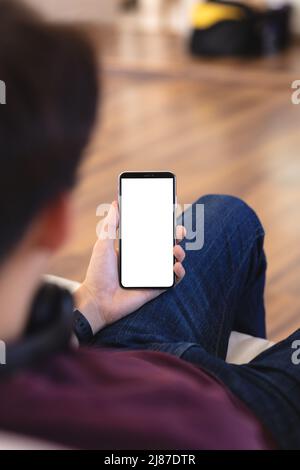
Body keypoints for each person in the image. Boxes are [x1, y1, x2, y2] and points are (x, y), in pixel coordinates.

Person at [0, 0, 299, 450]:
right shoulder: (208, 433)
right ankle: (244, 365)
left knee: (226, 214)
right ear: (58, 222)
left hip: (106, 349)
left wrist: (92, 306)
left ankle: (236, 351)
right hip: (201, 396)